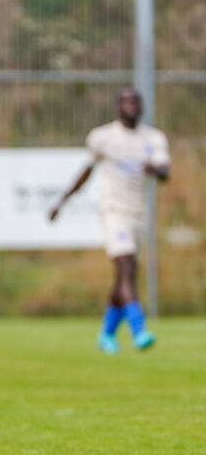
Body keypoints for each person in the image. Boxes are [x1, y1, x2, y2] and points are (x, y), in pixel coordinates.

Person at [49, 87, 169, 354]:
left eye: (136, 102)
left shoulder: (153, 138)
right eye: (127, 102)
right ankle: (139, 330)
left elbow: (165, 171)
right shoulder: (103, 137)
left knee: (125, 275)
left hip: (139, 214)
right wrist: (62, 201)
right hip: (114, 210)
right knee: (124, 265)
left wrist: (155, 168)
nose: (132, 106)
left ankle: (106, 334)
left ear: (142, 106)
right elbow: (86, 171)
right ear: (118, 107)